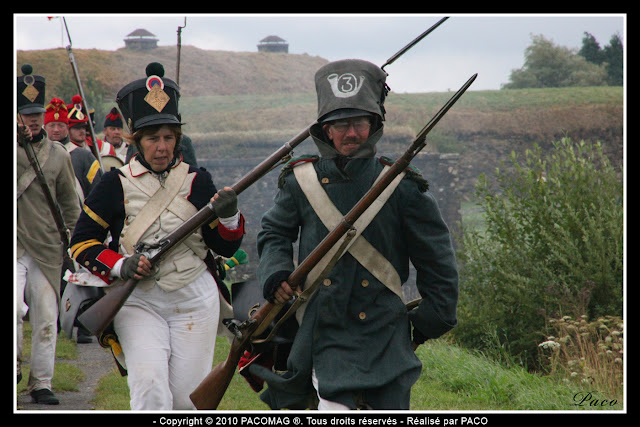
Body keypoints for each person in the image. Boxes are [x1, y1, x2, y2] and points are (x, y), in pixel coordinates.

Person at [249, 59, 459, 410]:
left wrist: (428, 321)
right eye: (341, 124)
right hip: (322, 326)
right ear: (325, 130)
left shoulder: (401, 185)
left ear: (373, 125)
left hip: (385, 329)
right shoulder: (302, 180)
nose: (351, 133)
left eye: (359, 123)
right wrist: (275, 274)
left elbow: (437, 259)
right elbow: (274, 233)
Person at [68, 62, 245, 410]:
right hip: (138, 299)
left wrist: (230, 214)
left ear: (177, 139)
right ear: (137, 140)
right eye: (153, 138)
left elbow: (225, 245)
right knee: (149, 391)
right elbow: (82, 243)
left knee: (188, 401)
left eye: (168, 137)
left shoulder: (198, 180)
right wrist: (122, 265)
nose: (161, 147)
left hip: (195, 298)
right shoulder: (113, 183)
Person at [16, 65, 81, 405]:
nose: (34, 120)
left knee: (45, 317)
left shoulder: (58, 155)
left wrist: (79, 243)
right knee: (13, 307)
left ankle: (41, 382)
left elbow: (70, 203)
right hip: (14, 244)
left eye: (37, 114)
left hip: (47, 245)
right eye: (27, 114)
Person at [44, 97, 103, 344]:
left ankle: (84, 323)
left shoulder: (82, 156)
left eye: (61, 125)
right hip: (45, 225)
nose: (56, 129)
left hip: (75, 225)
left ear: (67, 127)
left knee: (81, 276)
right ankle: (53, 322)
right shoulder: (39, 155)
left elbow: (97, 191)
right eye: (52, 125)